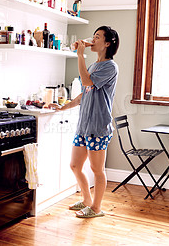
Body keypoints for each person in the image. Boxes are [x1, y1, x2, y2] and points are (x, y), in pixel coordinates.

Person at [49, 26, 119, 218]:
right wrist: (64, 107)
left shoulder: (110, 67)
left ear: (107, 43)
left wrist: (80, 55)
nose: (92, 40)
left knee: (97, 170)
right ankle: (87, 200)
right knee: (75, 165)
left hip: (98, 126)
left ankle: (96, 208)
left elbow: (87, 82)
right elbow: (85, 93)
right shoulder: (94, 66)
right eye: (93, 36)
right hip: (84, 126)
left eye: (97, 37)